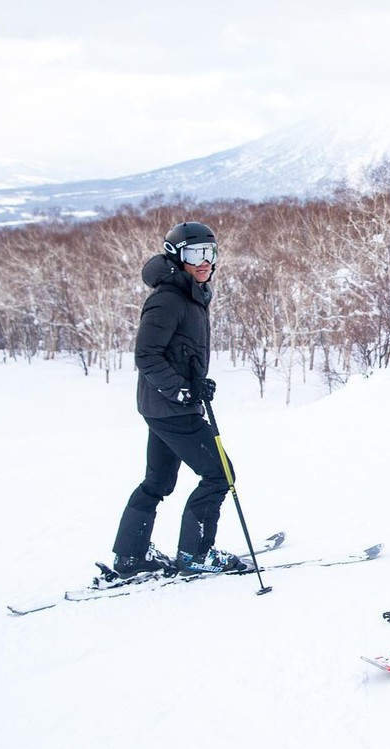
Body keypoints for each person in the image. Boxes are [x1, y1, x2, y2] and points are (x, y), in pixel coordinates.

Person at [111, 221, 249, 578]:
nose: (204, 261)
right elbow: (147, 355)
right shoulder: (168, 298)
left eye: (210, 252)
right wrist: (183, 390)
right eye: (194, 253)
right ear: (176, 256)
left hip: (161, 406)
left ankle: (131, 557)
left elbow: (178, 352)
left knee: (157, 483)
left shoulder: (189, 292)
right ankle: (195, 555)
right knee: (220, 475)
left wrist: (195, 382)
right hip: (172, 408)